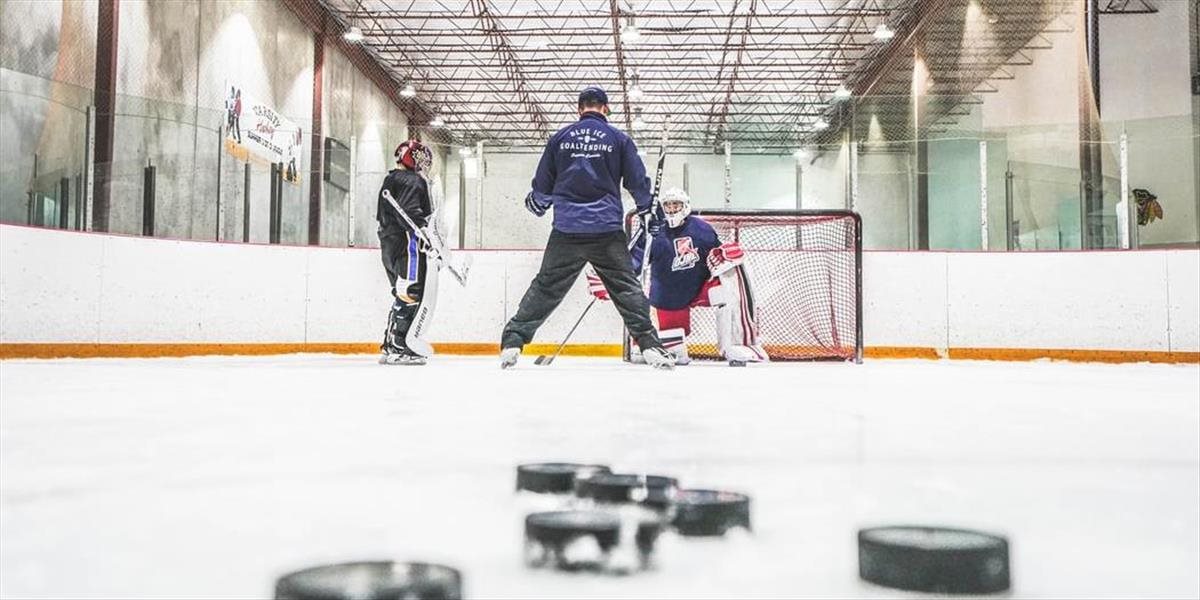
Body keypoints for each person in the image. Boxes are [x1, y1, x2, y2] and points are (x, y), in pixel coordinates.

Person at [499, 86, 676, 370]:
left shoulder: (560, 138)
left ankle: (512, 342)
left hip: (567, 229)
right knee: (627, 289)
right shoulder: (619, 139)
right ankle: (651, 346)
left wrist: (538, 202)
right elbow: (637, 182)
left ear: (580, 108)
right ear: (605, 108)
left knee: (546, 288)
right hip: (605, 230)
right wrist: (649, 212)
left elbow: (544, 185)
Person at [589, 187, 768, 366]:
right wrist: (611, 278)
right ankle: (645, 346)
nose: (672, 209)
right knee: (677, 357)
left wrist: (724, 256)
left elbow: (718, 255)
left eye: (676, 204)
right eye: (668, 205)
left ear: (686, 205)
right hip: (669, 297)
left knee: (732, 282)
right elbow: (634, 263)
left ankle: (737, 346)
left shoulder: (702, 229)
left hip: (700, 288)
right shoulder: (653, 232)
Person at [377, 139, 437, 365]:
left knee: (402, 291)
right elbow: (411, 212)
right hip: (407, 243)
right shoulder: (412, 180)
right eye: (420, 159)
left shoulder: (392, 179)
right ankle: (402, 346)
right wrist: (426, 233)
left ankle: (392, 344)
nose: (423, 165)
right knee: (411, 291)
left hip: (390, 243)